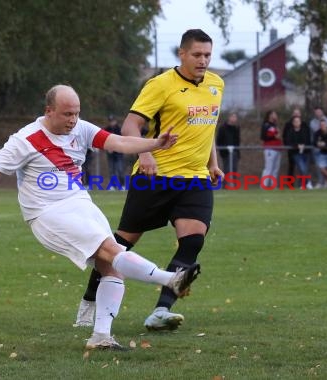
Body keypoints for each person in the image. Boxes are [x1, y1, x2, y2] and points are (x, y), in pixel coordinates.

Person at [0, 85, 201, 350]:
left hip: (78, 202)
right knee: (111, 250)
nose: (73, 120)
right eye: (67, 114)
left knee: (112, 266)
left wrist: (155, 143)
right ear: (49, 111)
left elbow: (117, 142)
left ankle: (101, 336)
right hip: (46, 213)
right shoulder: (25, 140)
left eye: (76, 113)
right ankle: (169, 279)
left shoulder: (81, 128)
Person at [76, 29, 224, 331]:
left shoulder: (216, 84)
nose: (203, 60)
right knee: (120, 245)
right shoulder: (160, 85)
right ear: (182, 54)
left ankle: (161, 310)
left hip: (194, 179)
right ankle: (91, 298)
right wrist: (144, 154)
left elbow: (207, 128)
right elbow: (132, 124)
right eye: (197, 54)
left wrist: (213, 162)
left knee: (193, 241)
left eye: (207, 54)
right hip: (154, 176)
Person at [309, 107, 327, 188]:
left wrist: (325, 144)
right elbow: (313, 137)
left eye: (319, 112)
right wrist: (317, 144)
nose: (318, 113)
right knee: (320, 167)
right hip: (318, 149)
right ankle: (323, 182)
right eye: (316, 112)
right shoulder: (312, 123)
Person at [282, 115, 312, 188]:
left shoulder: (304, 130)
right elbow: (289, 142)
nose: (297, 123)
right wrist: (297, 145)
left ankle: (303, 184)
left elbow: (307, 140)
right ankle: (308, 182)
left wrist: (303, 145)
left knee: (305, 168)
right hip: (296, 153)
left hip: (306, 152)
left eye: (298, 121)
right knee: (302, 168)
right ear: (293, 123)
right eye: (295, 121)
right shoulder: (290, 132)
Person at [283, 107, 309, 177]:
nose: (296, 115)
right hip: (292, 149)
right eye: (295, 113)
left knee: (303, 167)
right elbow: (285, 137)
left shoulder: (304, 125)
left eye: (298, 113)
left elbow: (307, 136)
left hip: (304, 149)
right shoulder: (288, 125)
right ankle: (290, 184)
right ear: (292, 115)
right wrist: (288, 146)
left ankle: (303, 183)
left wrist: (305, 146)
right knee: (291, 166)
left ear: (300, 114)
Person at [260, 110, 283, 187]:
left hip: (277, 149)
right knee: (268, 168)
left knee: (275, 169)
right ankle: (264, 185)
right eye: (274, 114)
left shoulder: (275, 125)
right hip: (270, 149)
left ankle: (273, 185)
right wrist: (273, 136)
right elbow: (263, 137)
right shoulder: (266, 125)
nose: (275, 115)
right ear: (269, 115)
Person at [104, 115, 125, 189]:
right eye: (110, 121)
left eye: (112, 121)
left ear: (115, 121)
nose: (111, 123)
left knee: (120, 169)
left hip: (118, 153)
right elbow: (104, 140)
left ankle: (122, 185)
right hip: (110, 154)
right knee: (111, 170)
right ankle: (112, 185)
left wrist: (115, 148)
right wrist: (108, 148)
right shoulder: (106, 129)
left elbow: (122, 141)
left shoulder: (119, 130)